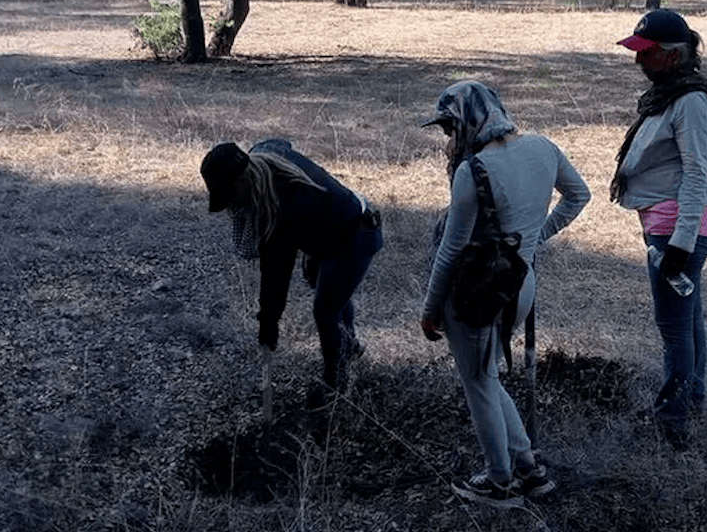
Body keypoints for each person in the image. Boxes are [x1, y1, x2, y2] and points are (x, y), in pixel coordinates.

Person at [420, 81, 590, 506]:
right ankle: (528, 468)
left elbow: (450, 252)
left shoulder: (472, 170)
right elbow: (578, 196)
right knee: (488, 378)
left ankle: (499, 481)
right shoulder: (543, 148)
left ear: (465, 122)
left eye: (448, 129)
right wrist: (532, 242)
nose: (447, 139)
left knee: (478, 385)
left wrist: (429, 309)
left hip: (474, 291)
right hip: (521, 283)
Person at [611, 8, 707, 450]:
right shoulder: (671, 95)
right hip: (672, 224)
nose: (638, 60)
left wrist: (679, 243)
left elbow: (698, 174)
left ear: (672, 55)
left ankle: (672, 421)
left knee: (675, 329)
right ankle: (690, 402)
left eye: (646, 53)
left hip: (679, 229)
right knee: (689, 322)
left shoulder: (692, 102)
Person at [201, 138, 383, 399]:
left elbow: (276, 272)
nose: (230, 206)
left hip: (356, 236)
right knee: (331, 296)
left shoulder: (284, 204)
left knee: (326, 311)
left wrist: (268, 321)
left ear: (242, 182)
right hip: (336, 229)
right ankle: (349, 347)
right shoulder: (262, 156)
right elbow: (280, 141)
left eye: (229, 197)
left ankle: (337, 385)